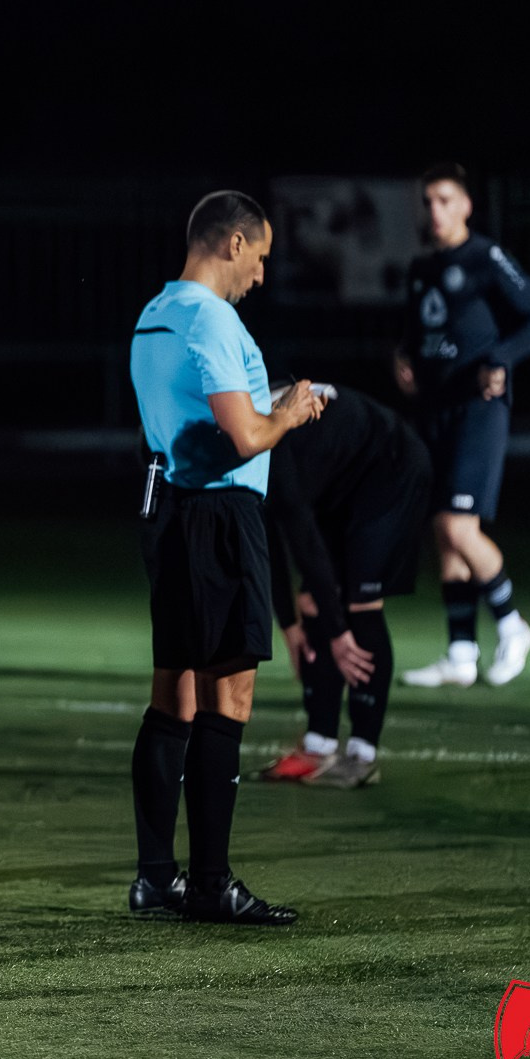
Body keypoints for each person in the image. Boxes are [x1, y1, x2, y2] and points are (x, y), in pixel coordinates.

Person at [127, 190, 323, 928]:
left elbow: (188, 412)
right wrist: (291, 411)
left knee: (172, 694)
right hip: (220, 512)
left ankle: (155, 876)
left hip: (170, 510)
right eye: (262, 256)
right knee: (226, 700)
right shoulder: (212, 316)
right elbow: (243, 436)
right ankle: (211, 882)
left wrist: (262, 409)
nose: (263, 275)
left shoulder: (155, 312)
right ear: (233, 243)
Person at [395, 163, 530, 689]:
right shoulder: (421, 268)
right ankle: (462, 653)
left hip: (478, 409)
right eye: (428, 202)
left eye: (445, 200)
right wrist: (403, 358)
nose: (435, 211)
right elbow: (421, 331)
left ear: (466, 205)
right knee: (442, 536)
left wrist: (500, 359)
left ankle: (513, 624)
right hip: (436, 409)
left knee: (457, 527)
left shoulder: (485, 256)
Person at [255, 383, 432, 788]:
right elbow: (268, 544)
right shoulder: (245, 444)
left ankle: (363, 754)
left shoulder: (270, 453)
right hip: (341, 482)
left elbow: (305, 546)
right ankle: (318, 747)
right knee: (312, 603)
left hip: (392, 470)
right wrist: (291, 626)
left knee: (360, 603)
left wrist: (337, 633)